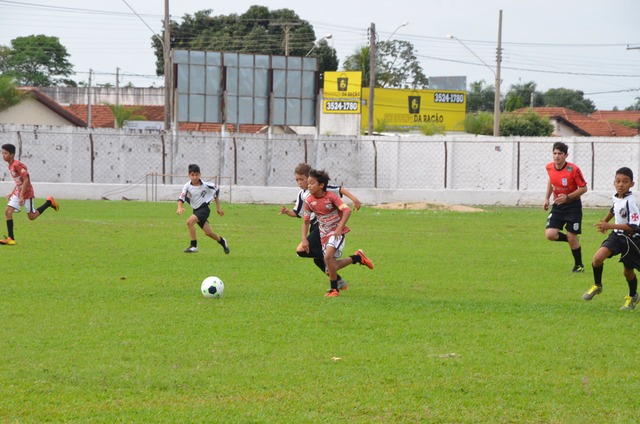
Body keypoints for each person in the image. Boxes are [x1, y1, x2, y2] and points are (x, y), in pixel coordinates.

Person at [279, 162, 363, 291]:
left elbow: (340, 189)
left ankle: (336, 277)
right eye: (297, 180)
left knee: (303, 251)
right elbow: (298, 213)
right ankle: (346, 271)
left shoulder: (321, 188)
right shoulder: (302, 194)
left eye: (301, 179)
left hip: (323, 226)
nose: (299, 183)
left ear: (310, 178)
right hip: (313, 226)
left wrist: (354, 199)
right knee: (318, 260)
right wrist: (287, 212)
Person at [300, 169, 373, 297]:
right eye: (308, 183)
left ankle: (334, 289)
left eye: (312, 183)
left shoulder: (331, 197)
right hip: (323, 235)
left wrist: (339, 228)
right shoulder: (309, 201)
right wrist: (304, 239)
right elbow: (306, 221)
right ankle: (357, 257)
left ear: (321, 185)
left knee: (328, 258)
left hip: (336, 233)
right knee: (332, 265)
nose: (309, 186)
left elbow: (347, 210)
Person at [583, 167, 640, 309]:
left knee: (628, 272)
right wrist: (605, 221)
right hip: (616, 236)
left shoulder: (631, 202)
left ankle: (632, 296)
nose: (621, 184)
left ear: (631, 184)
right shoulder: (617, 196)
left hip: (631, 239)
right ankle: (597, 285)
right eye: (618, 181)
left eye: (625, 182)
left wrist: (609, 226)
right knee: (597, 259)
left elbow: (634, 226)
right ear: (614, 183)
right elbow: (614, 209)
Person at [0, 143, 59, 245]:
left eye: (5, 153)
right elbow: (19, 181)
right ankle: (11, 239)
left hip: (26, 192)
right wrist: (13, 192)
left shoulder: (17, 165)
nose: (3, 155)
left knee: (32, 216)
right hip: (19, 191)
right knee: (8, 212)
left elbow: (26, 179)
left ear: (12, 155)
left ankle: (49, 202)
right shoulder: (10, 165)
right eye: (2, 153)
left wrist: (22, 195)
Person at [543, 142, 588, 272]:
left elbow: (584, 188)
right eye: (555, 153)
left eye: (560, 154)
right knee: (550, 234)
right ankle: (570, 239)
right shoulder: (549, 167)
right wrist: (546, 198)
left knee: (572, 237)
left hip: (573, 206)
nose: (557, 156)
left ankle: (579, 265)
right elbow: (551, 181)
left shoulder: (573, 170)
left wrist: (568, 197)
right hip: (558, 205)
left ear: (566, 155)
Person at [176, 164, 230, 254]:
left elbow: (216, 190)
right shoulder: (187, 186)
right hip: (196, 210)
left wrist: (218, 207)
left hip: (204, 209)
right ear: (189, 175)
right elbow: (181, 197)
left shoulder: (205, 185)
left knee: (189, 222)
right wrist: (179, 207)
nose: (194, 177)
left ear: (200, 175)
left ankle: (193, 245)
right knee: (208, 233)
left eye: (196, 175)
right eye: (192, 175)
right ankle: (222, 241)